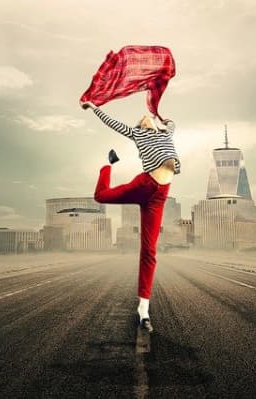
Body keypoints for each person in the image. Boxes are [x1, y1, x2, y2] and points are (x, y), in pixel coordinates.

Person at [80, 100, 180, 333]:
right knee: (101, 197)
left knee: (149, 251)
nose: (146, 117)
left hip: (160, 196)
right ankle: (107, 165)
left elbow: (171, 122)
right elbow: (111, 122)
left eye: (149, 117)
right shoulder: (138, 133)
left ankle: (143, 308)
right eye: (143, 118)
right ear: (140, 126)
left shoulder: (167, 133)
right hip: (144, 185)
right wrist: (93, 107)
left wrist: (158, 113)